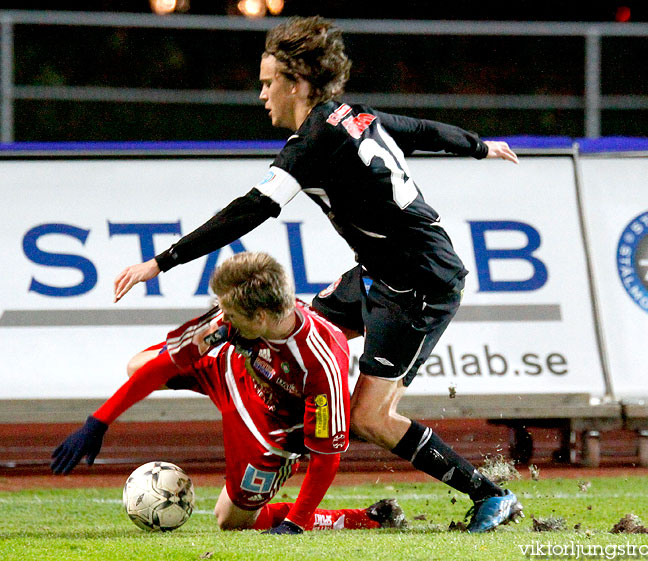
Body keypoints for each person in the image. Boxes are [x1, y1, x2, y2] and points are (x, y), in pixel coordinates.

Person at [113, 16, 523, 532]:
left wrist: (160, 261)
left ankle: (491, 495)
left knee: (371, 418)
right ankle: (282, 436)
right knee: (288, 328)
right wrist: (478, 145)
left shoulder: (312, 144)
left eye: (267, 83)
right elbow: (417, 131)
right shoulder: (349, 117)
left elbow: (250, 209)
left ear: (296, 83)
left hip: (419, 282)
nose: (262, 95)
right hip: (377, 272)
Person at [52, 252, 406, 534]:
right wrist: (98, 421)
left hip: (271, 428)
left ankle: (368, 516)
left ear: (263, 317)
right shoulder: (235, 317)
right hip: (232, 371)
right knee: (138, 366)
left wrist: (296, 523)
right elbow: (163, 365)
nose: (224, 319)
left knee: (230, 520)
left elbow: (326, 458)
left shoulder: (320, 363)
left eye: (232, 315)